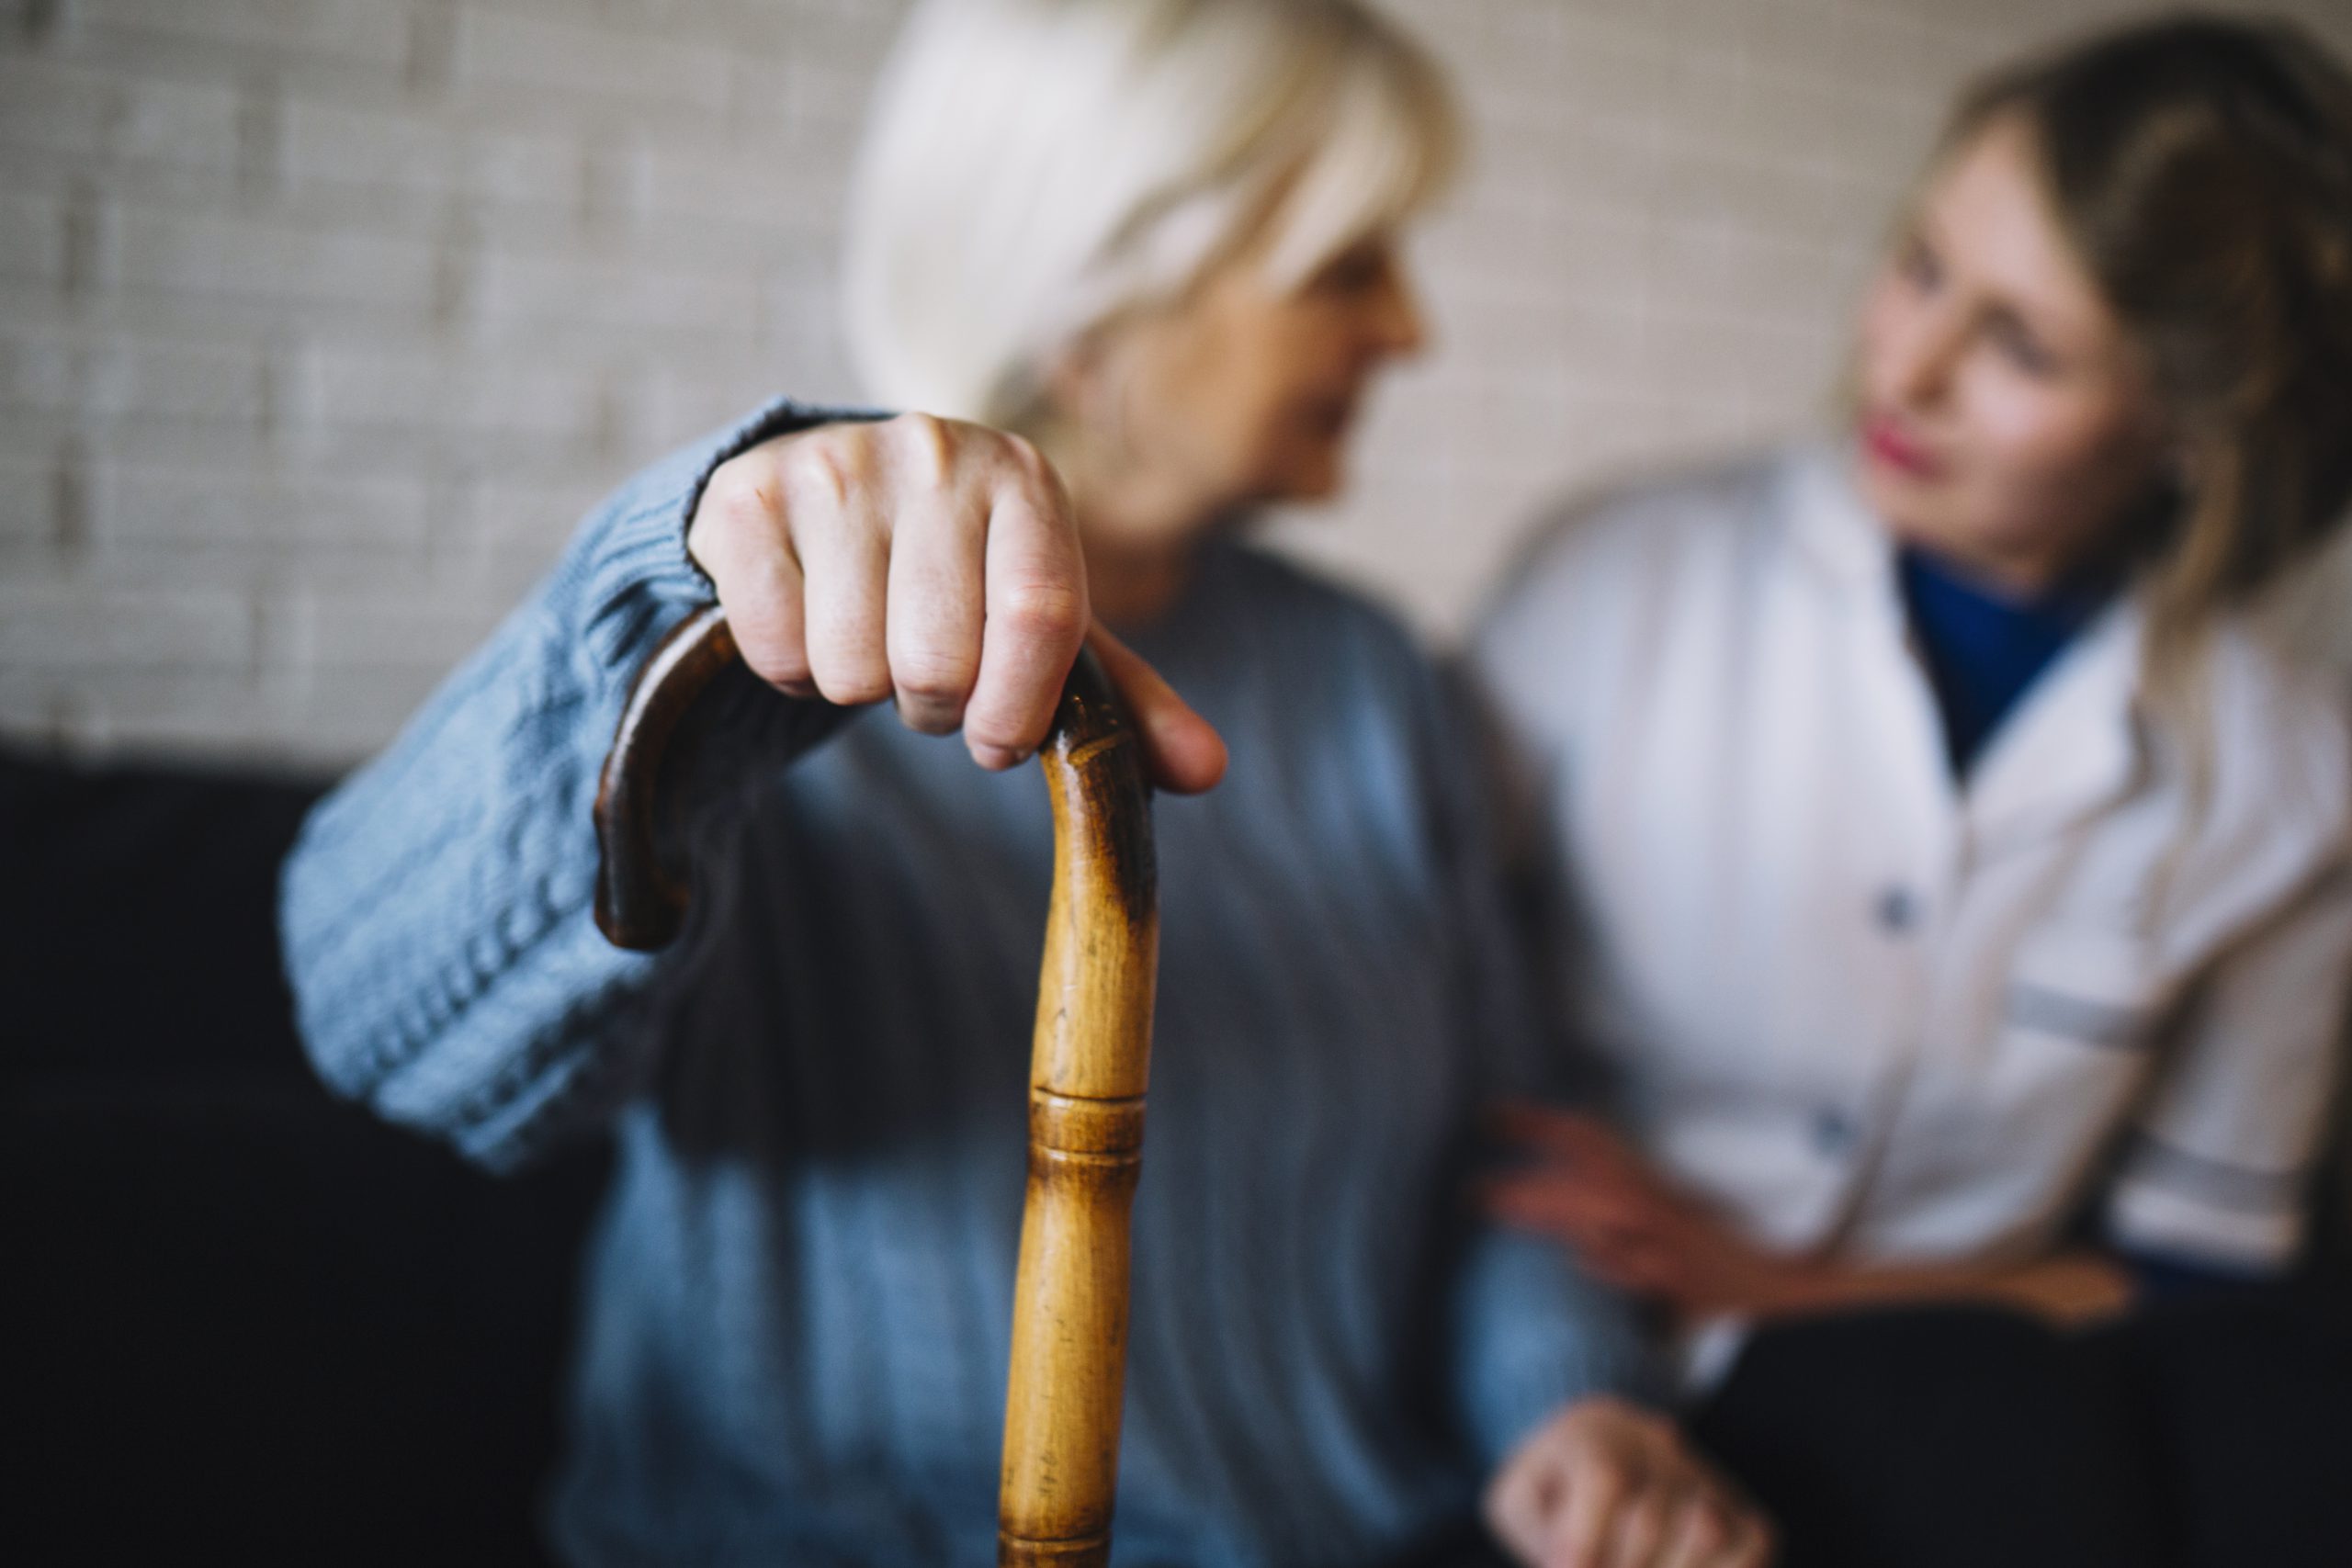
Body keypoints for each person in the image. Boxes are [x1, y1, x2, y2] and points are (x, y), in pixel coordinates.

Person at [280, 2, 1768, 1565]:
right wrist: (681, 614)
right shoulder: (777, 652)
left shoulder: (1375, 684)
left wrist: (1571, 1405)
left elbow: (1500, 1150)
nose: (1409, 331)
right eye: (1347, 267)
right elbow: (382, 1031)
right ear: (1105, 297)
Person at [1470, 15, 2352, 1568]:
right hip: (1594, 1358)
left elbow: (2195, 1267)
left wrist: (1767, 1284)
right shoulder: (1610, 583)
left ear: (2190, 434)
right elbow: (1414, 1023)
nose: (1909, 363)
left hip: (1980, 1374)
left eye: (2020, 346)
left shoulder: (2289, 779)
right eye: (1922, 264)